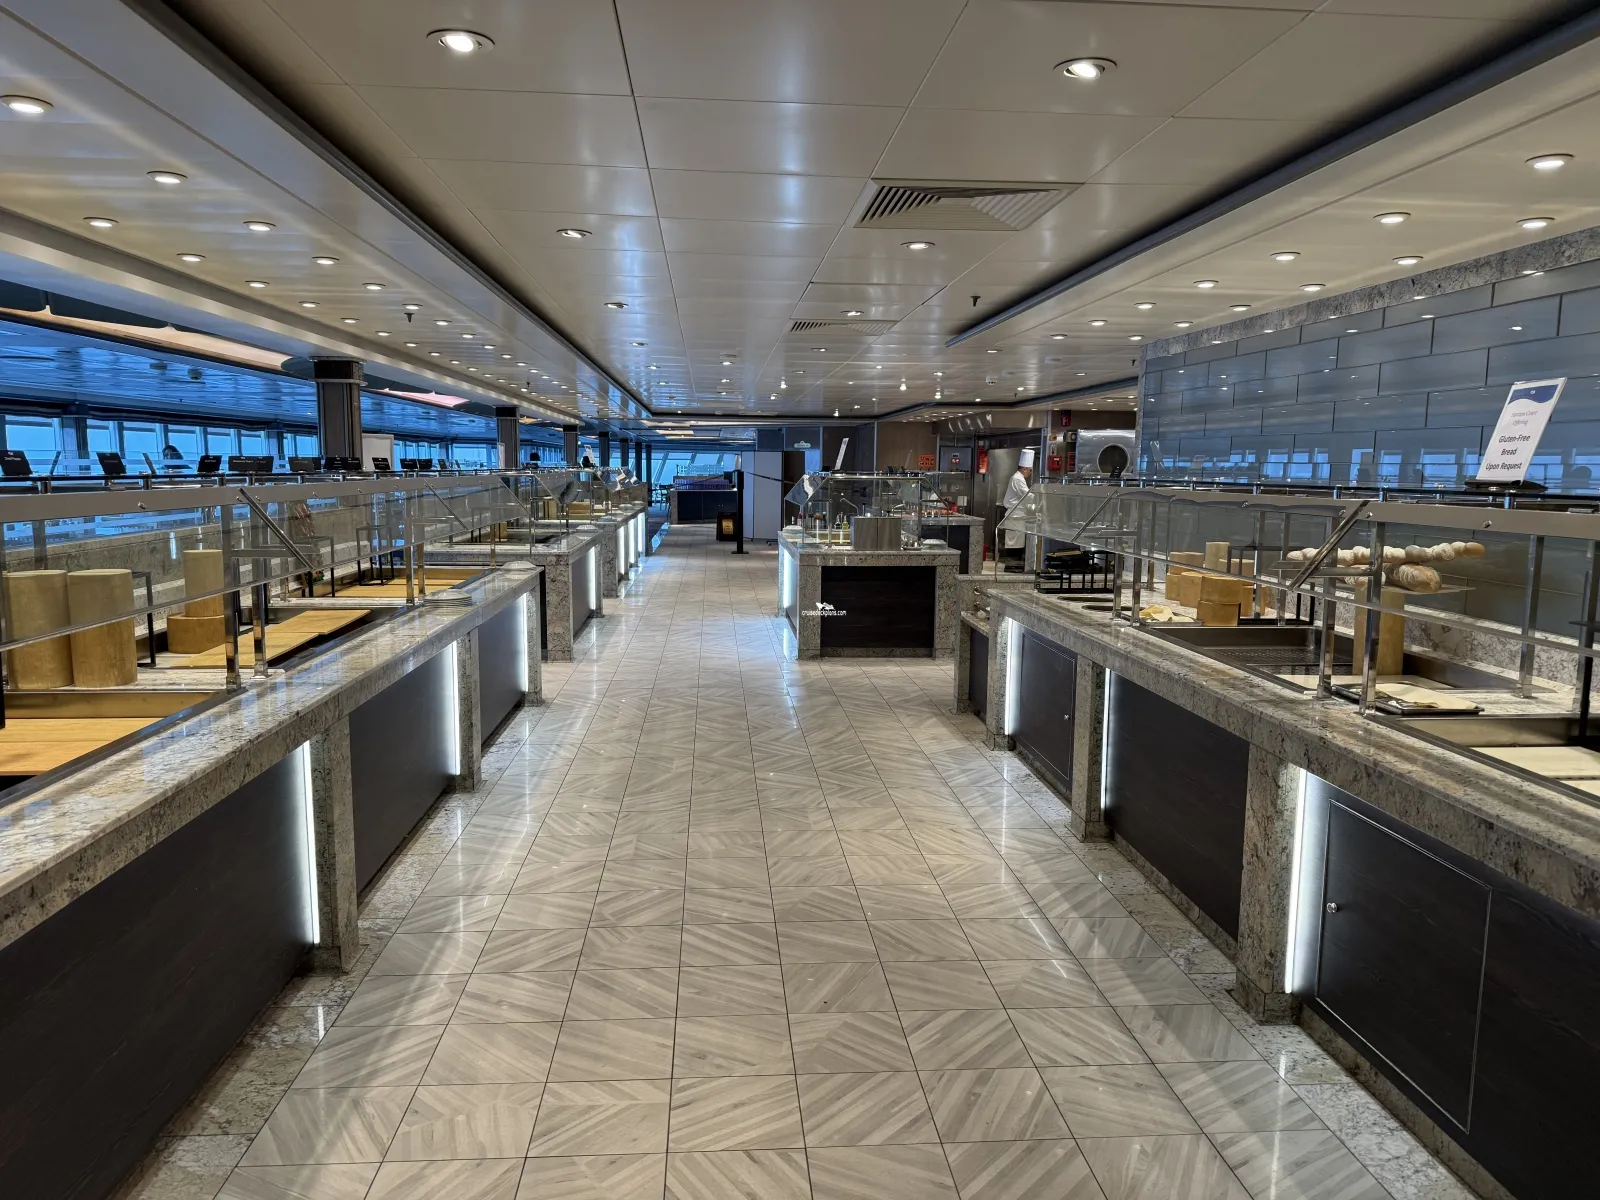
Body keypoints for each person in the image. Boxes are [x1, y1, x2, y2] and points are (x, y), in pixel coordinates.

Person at [1000, 449, 1034, 573]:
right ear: (1024, 469)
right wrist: (1039, 498)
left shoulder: (1019, 478)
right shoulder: (1017, 479)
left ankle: (1014, 565)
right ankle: (1012, 566)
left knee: (1016, 539)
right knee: (1014, 540)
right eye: (1030, 470)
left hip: (1018, 514)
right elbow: (1027, 495)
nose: (1030, 473)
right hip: (1015, 514)